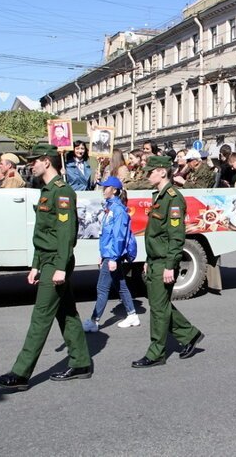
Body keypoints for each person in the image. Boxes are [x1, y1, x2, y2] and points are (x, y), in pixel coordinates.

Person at [0, 144, 92, 391]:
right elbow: (43, 233)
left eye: (34, 160)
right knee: (66, 313)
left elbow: (67, 234)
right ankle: (81, 362)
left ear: (47, 162)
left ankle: (20, 373)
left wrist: (59, 266)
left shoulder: (62, 192)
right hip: (47, 260)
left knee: (40, 317)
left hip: (57, 261)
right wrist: (36, 264)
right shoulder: (47, 191)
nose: (30, 165)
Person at [132, 156, 204, 368]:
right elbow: (156, 235)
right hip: (155, 259)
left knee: (157, 308)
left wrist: (170, 265)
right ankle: (189, 334)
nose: (147, 175)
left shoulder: (173, 198)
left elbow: (176, 237)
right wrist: (148, 259)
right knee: (159, 305)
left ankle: (156, 352)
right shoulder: (159, 196)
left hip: (164, 261)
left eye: (151, 171)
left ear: (163, 172)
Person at [83, 176, 139, 332]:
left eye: (105, 187)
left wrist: (113, 257)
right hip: (109, 254)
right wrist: (103, 254)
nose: (103, 190)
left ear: (114, 190)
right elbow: (106, 235)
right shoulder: (110, 208)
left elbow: (118, 236)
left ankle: (94, 321)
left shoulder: (118, 210)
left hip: (112, 255)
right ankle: (132, 315)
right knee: (120, 285)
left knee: (102, 288)